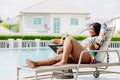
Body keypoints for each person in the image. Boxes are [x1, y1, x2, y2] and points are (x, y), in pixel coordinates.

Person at [26, 22, 107, 68]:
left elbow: (104, 27)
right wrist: (64, 47)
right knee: (57, 57)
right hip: (80, 55)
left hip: (88, 57)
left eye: (92, 29)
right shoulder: (88, 38)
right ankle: (35, 63)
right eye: (89, 28)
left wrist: (102, 26)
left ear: (97, 30)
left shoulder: (98, 38)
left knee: (69, 38)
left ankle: (63, 61)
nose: (89, 30)